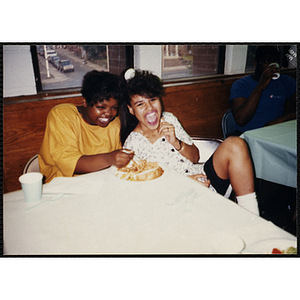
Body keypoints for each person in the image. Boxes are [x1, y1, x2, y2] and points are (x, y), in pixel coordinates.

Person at [119, 69, 259, 215]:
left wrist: (176, 142)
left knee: (236, 144)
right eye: (140, 104)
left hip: (203, 179)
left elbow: (195, 157)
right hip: (175, 197)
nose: (150, 108)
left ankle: (252, 216)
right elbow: (142, 192)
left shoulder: (170, 119)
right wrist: (184, 183)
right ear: (131, 110)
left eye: (153, 99)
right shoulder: (132, 145)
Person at [39, 70, 134, 183]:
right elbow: (72, 164)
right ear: (84, 101)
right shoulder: (62, 115)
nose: (108, 113)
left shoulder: (114, 125)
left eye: (114, 107)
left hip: (98, 183)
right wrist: (110, 158)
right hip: (62, 185)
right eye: (101, 107)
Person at [229, 45, 296, 134]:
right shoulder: (241, 85)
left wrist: (281, 119)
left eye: (276, 61)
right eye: (267, 61)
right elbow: (241, 120)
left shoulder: (286, 82)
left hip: (275, 132)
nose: (272, 66)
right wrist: (261, 86)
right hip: (248, 135)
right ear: (256, 63)